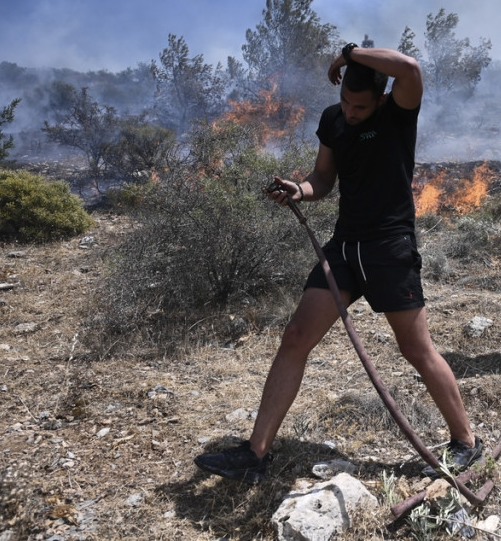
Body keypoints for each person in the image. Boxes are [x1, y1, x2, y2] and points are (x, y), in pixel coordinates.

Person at [195, 44, 482, 483]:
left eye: (360, 106)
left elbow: (409, 67)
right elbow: (324, 179)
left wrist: (348, 52)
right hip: (345, 247)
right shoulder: (332, 120)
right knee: (295, 337)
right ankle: (255, 454)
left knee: (415, 348)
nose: (350, 111)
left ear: (381, 99)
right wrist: (297, 190)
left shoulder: (397, 113)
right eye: (346, 102)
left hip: (390, 248)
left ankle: (466, 442)